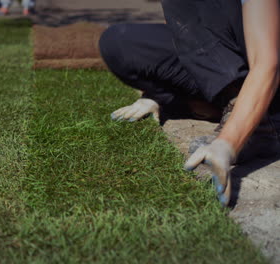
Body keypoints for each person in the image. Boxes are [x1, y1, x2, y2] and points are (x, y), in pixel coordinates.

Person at [99, 0, 279, 206]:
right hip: (237, 65)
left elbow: (267, 65)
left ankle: (258, 124)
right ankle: (227, 102)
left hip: (270, 77)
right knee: (119, 42)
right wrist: (158, 93)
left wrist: (227, 143)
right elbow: (193, 38)